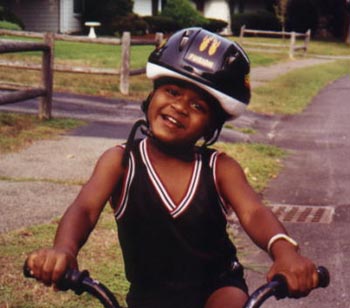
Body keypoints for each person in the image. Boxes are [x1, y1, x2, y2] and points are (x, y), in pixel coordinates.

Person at [26, 27, 319, 308]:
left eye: (198, 106)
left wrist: (285, 253)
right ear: (152, 94)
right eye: (172, 91)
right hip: (149, 297)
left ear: (211, 126)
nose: (179, 107)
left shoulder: (220, 168)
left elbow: (254, 212)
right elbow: (85, 208)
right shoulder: (120, 162)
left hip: (217, 289)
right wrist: (65, 249)